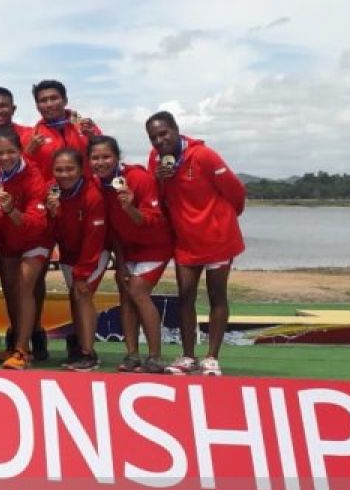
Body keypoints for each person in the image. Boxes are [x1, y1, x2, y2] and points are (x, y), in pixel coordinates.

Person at [146, 112, 246, 376]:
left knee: (216, 295)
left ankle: (212, 357)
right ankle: (188, 356)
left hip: (217, 237)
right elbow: (155, 199)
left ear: (176, 130)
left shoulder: (203, 155)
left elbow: (236, 191)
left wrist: (222, 218)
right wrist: (159, 179)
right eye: (154, 137)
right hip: (186, 240)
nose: (159, 141)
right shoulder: (155, 160)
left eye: (164, 133)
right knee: (185, 297)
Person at [25, 79, 101, 362]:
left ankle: (79, 341)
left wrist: (91, 136)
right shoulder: (34, 134)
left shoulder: (84, 127)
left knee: (78, 281)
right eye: (43, 100)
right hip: (49, 211)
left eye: (53, 98)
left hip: (83, 209)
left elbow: (101, 159)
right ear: (37, 105)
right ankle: (36, 336)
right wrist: (28, 151)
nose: (49, 104)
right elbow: (24, 171)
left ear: (65, 99)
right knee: (35, 279)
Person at [88, 135, 172, 374]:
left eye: (106, 157)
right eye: (95, 158)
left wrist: (129, 208)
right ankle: (132, 354)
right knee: (125, 292)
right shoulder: (97, 185)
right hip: (127, 248)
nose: (100, 162)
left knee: (138, 291)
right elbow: (113, 229)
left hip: (154, 245)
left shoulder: (138, 178)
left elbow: (153, 222)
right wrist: (121, 263)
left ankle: (155, 357)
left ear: (117, 157)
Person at [0, 128, 51, 370]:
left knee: (25, 286)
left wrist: (12, 212)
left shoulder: (33, 177)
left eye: (10, 152)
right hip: (9, 241)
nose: (5, 157)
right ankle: (18, 346)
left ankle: (22, 350)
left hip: (36, 239)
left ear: (21, 151)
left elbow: (37, 224)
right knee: (12, 290)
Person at [45, 148, 108, 371]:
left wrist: (82, 273)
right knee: (76, 298)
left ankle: (88, 353)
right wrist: (53, 214)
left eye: (70, 169)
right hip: (69, 255)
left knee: (82, 295)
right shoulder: (53, 192)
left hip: (94, 254)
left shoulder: (92, 195)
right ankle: (81, 346)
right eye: (59, 170)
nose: (65, 174)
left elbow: (94, 238)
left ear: (81, 170)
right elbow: (52, 232)